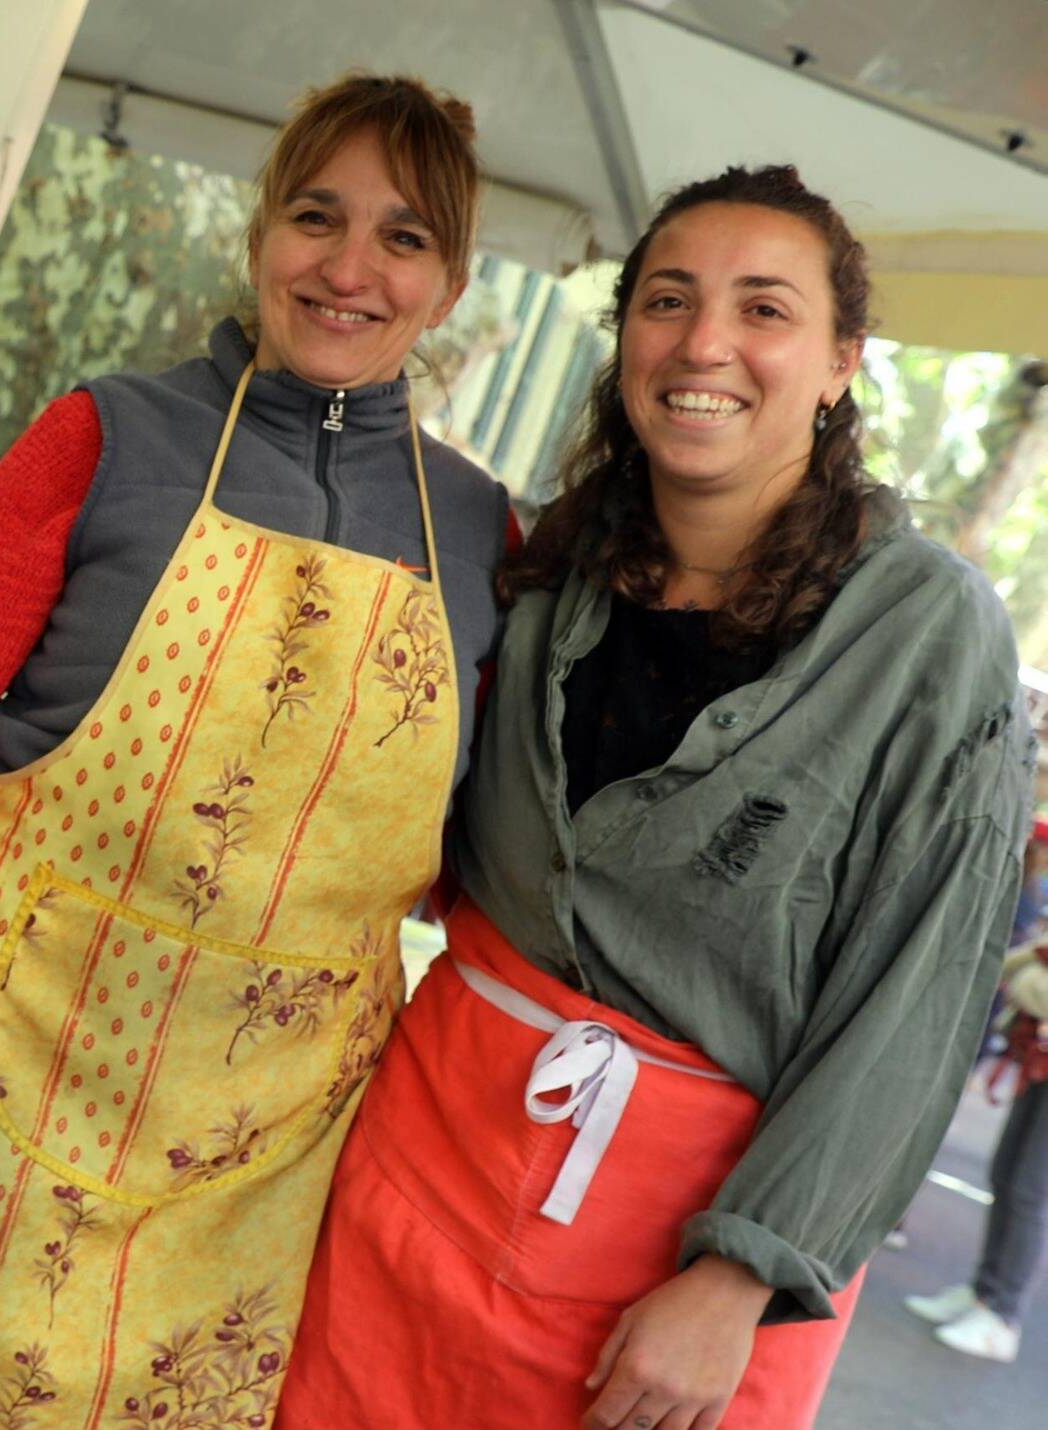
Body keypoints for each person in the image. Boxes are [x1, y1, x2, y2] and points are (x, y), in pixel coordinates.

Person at [280, 165, 1034, 1428]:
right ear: (624, 335)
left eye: (762, 309)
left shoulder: (928, 633)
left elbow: (917, 1000)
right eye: (667, 300)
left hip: (687, 1271)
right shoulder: (545, 567)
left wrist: (741, 1271)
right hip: (411, 1177)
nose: (702, 344)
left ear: (840, 361)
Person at [0, 74, 512, 1429]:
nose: (349, 268)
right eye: (316, 217)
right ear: (260, 234)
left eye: (403, 237)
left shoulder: (481, 531)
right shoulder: (103, 437)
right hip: (8, 1083)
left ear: (450, 286)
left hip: (273, 1152)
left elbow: (467, 850)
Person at [905, 819, 1048, 1363]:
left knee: (1029, 1186)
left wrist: (1028, 977)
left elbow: (1032, 979)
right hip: (1037, 1054)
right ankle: (986, 1292)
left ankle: (1002, 1312)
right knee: (1009, 1175)